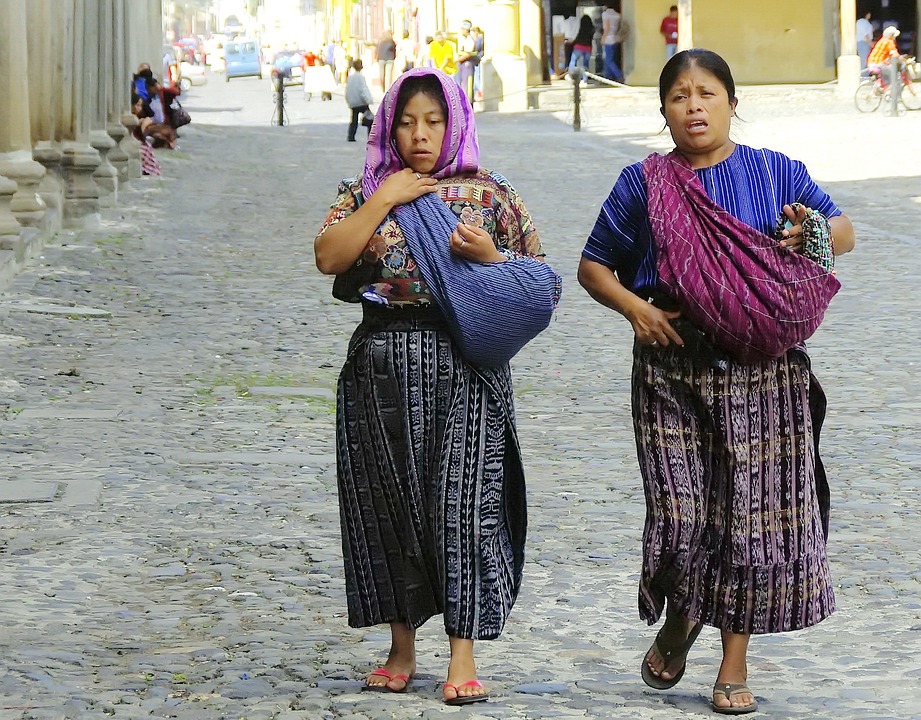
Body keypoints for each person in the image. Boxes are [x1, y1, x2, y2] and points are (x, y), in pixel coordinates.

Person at [577, 49, 855, 715]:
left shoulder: (774, 171)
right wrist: (634, 308)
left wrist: (810, 231)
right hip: (672, 369)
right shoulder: (641, 185)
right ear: (663, 110)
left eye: (706, 93)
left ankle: (733, 665)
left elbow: (840, 231)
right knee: (681, 518)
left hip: (763, 371)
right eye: (678, 96)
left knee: (749, 525)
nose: (693, 107)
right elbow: (593, 266)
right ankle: (679, 622)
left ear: (731, 101)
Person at [314, 67, 555, 707]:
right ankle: (401, 647)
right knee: (386, 504)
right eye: (408, 121)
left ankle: (463, 654)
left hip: (469, 367)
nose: (421, 134)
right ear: (389, 125)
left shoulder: (493, 196)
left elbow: (539, 278)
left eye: (435, 120)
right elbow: (330, 258)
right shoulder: (366, 190)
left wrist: (492, 260)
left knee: (465, 503)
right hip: (381, 368)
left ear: (455, 123)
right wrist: (384, 199)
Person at [344, 59, 373, 143]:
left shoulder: (350, 77)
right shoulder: (360, 77)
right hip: (361, 102)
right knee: (370, 119)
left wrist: (349, 100)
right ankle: (371, 136)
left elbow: (347, 90)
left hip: (353, 102)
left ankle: (351, 136)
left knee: (354, 120)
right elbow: (363, 90)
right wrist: (368, 100)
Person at [601, 3, 624, 82]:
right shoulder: (618, 15)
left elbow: (606, 28)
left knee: (608, 60)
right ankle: (607, 76)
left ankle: (619, 75)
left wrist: (603, 38)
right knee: (610, 58)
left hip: (608, 39)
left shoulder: (605, 14)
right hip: (615, 38)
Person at [456, 20, 477, 99]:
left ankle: (467, 103)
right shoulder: (461, 38)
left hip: (467, 64)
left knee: (466, 85)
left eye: (462, 29)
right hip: (460, 64)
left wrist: (455, 60)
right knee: (460, 84)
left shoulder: (470, 40)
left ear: (466, 30)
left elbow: (467, 54)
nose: (461, 31)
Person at [472, 27, 485, 100]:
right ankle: (478, 92)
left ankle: (479, 92)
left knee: (477, 76)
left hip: (477, 59)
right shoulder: (479, 38)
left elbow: (477, 48)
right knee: (476, 76)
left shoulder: (480, 38)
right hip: (476, 59)